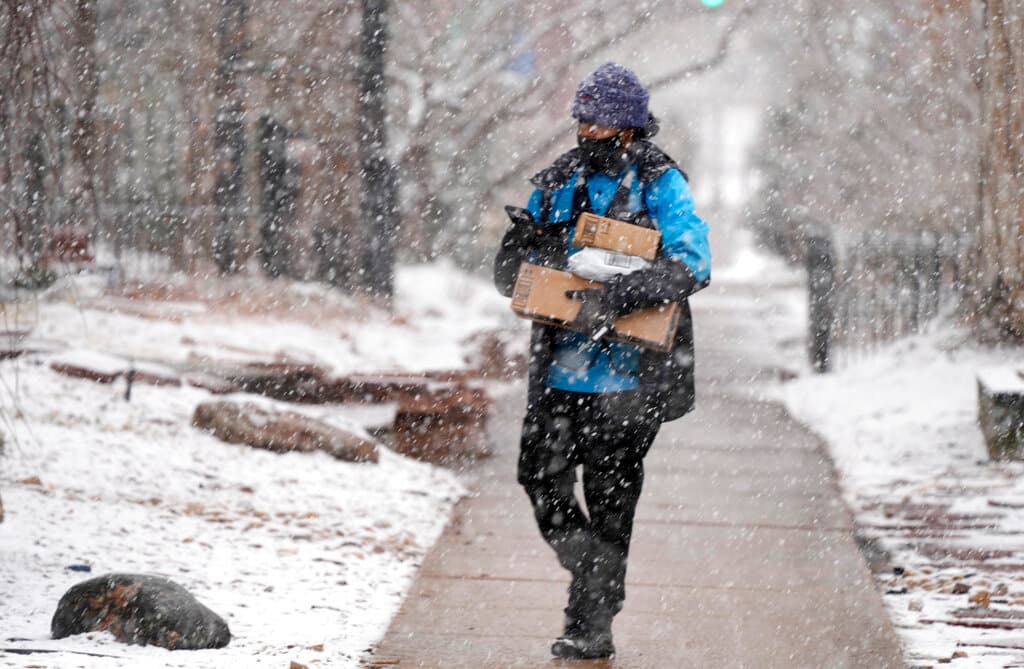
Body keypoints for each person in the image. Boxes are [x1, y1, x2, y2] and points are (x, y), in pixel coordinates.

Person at [493, 62, 711, 660]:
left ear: (628, 128)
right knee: (539, 478)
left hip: (630, 380)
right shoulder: (558, 179)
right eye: (582, 120)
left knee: (611, 497)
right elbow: (512, 279)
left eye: (598, 122)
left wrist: (619, 294)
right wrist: (520, 246)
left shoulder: (661, 182)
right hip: (558, 375)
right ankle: (597, 577)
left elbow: (694, 263)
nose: (586, 131)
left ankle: (591, 623)